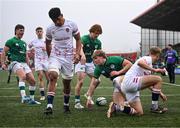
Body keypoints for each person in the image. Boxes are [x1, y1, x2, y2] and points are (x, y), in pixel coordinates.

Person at [44, 7, 81, 115]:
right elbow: (47, 43)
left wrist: (78, 54)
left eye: (58, 20)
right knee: (52, 75)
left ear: (62, 15)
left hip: (68, 58)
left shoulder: (72, 24)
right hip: (56, 56)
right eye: (54, 21)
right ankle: (49, 106)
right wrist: (50, 56)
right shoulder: (50, 28)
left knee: (67, 82)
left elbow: (78, 39)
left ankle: (66, 105)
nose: (56, 22)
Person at [85, 50, 138, 117]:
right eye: (93, 59)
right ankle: (122, 104)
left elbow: (130, 64)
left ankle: (127, 101)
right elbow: (93, 83)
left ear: (102, 57)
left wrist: (118, 72)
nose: (94, 61)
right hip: (118, 85)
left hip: (128, 79)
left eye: (96, 58)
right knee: (118, 105)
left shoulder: (114, 59)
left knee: (116, 80)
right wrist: (89, 98)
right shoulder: (98, 68)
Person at [119, 47, 167, 116]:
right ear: (157, 56)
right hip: (130, 81)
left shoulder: (148, 65)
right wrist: (155, 70)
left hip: (128, 86)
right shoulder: (148, 58)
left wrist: (160, 93)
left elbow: (148, 85)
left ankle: (117, 107)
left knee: (139, 112)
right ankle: (154, 107)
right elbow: (140, 63)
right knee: (158, 79)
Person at [1, 24, 40, 104]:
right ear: (16, 31)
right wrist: (3, 63)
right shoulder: (11, 41)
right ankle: (24, 97)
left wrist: (28, 64)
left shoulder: (24, 43)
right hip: (14, 62)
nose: (22, 32)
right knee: (23, 76)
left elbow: (25, 55)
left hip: (24, 64)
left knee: (33, 81)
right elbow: (4, 52)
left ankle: (31, 100)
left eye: (23, 31)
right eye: (20, 30)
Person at [74, 24, 102, 109]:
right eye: (95, 33)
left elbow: (99, 53)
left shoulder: (98, 42)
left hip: (90, 63)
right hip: (81, 62)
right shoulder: (84, 38)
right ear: (91, 31)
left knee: (97, 80)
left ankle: (88, 94)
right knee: (81, 81)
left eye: (98, 34)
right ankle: (77, 102)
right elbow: (80, 47)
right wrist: (82, 55)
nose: (97, 35)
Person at [28, 27, 49, 101]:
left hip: (46, 61)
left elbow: (52, 48)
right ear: (36, 33)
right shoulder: (34, 41)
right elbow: (29, 46)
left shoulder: (46, 40)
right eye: (38, 31)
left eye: (40, 31)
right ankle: (42, 95)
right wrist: (31, 49)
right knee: (40, 77)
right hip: (38, 61)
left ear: (43, 32)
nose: (39, 32)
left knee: (49, 79)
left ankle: (49, 93)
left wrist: (46, 49)